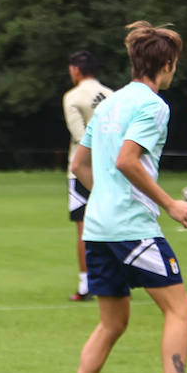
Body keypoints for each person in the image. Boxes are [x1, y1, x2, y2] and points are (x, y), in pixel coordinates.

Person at [56, 22, 187, 373]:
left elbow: (79, 166)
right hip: (132, 228)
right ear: (166, 65)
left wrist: (107, 197)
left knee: (113, 322)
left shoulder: (109, 102)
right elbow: (129, 160)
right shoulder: (154, 105)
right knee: (180, 309)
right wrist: (169, 203)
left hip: (97, 228)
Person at [62, 50, 113, 302]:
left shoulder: (72, 96)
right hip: (111, 168)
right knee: (113, 222)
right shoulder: (112, 95)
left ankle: (86, 285)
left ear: (76, 70)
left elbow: (80, 136)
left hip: (81, 169)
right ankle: (117, 278)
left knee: (84, 227)